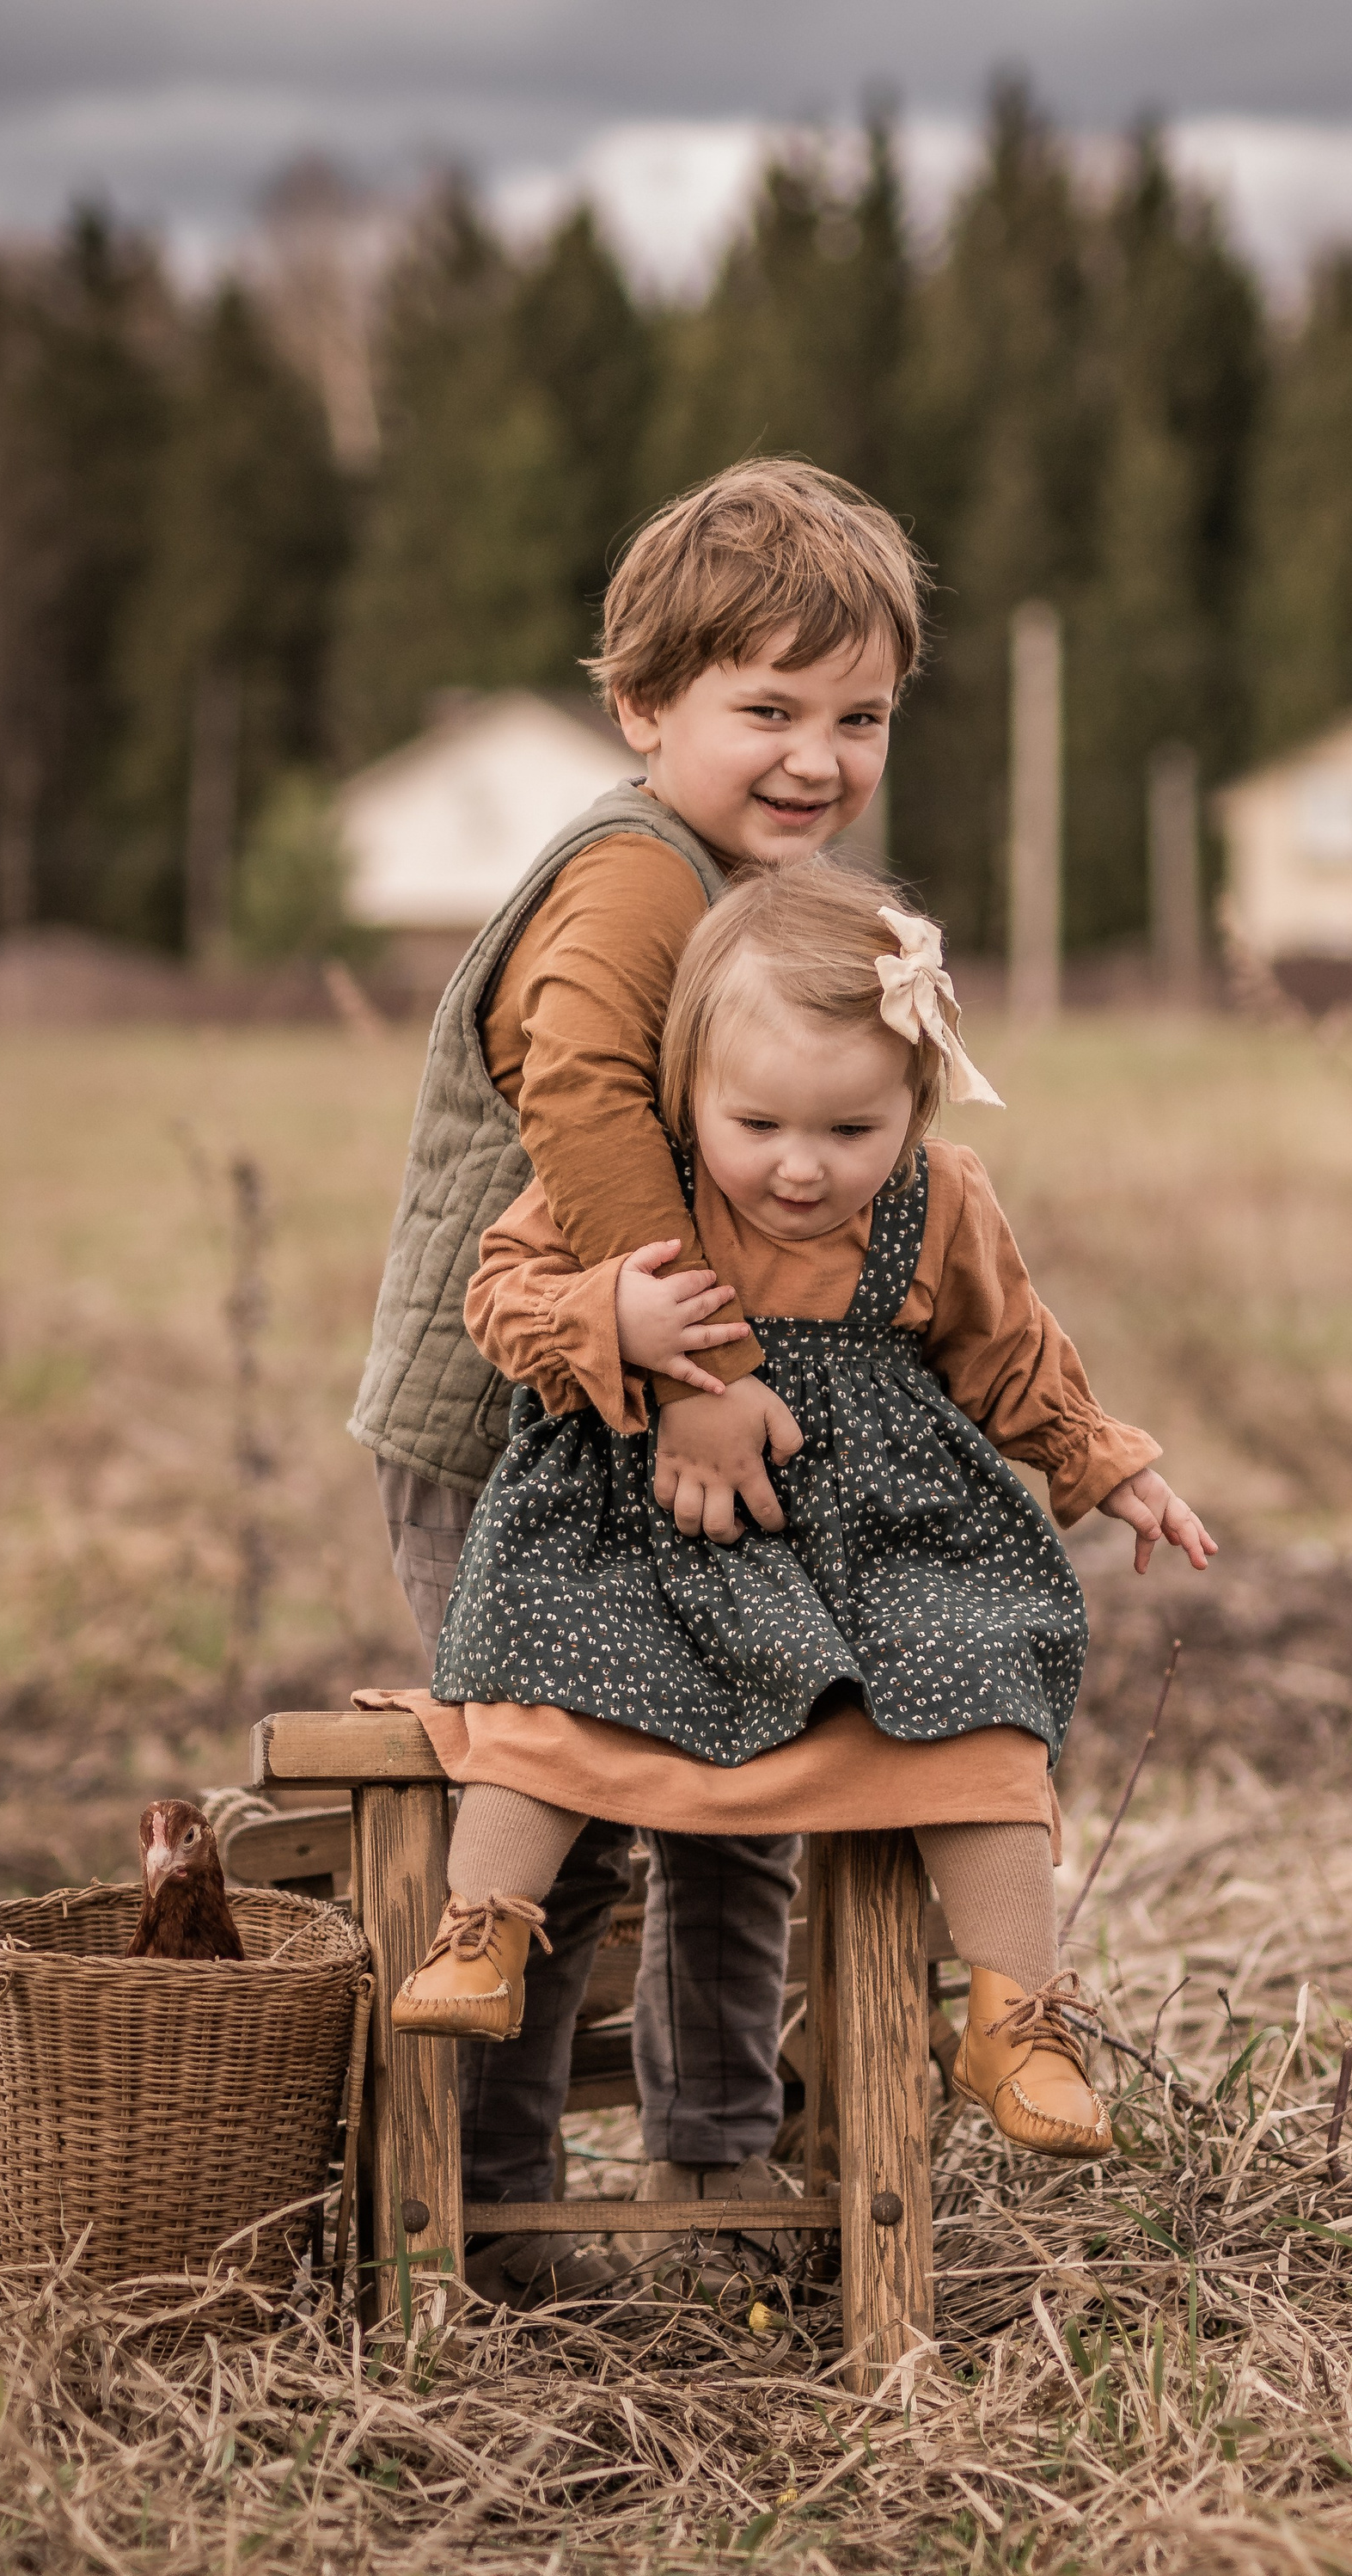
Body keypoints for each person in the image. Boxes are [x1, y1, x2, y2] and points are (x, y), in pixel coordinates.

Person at [388, 861, 1217, 2158]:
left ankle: (1015, 2011)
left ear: (914, 1104)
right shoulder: (641, 1191)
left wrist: (1106, 1465)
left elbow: (1010, 1354)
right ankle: (486, 1922)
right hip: (647, 1536)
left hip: (875, 1552)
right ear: (688, 1091)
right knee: (545, 1666)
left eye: (849, 1131)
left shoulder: (941, 1199)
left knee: (984, 1681)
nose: (799, 1167)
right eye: (759, 1124)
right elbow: (499, 1297)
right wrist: (612, 1314)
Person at [347, 461, 928, 2295]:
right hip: (513, 1432)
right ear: (643, 708)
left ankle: (718, 2168)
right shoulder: (625, 880)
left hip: (660, 1427)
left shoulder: (752, 891)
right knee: (572, 1801)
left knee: (741, 1788)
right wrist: (698, 1367)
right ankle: (493, 2217)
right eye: (769, 710)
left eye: (859, 718)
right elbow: (584, 1099)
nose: (817, 758)